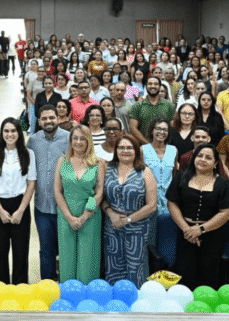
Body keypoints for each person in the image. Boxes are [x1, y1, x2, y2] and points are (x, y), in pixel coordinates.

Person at [166, 144, 229, 289]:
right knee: (185, 276)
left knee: (208, 276)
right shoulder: (182, 177)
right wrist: (187, 229)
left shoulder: (223, 184)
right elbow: (172, 204)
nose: (203, 160)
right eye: (199, 156)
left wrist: (201, 229)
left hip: (213, 234)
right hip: (186, 233)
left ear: (216, 163)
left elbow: (226, 213)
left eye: (208, 157)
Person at [0, 118, 36, 284]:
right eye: (6, 131)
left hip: (21, 204)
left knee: (21, 252)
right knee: (0, 251)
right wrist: (0, 210)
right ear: (2, 133)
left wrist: (20, 210)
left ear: (19, 133)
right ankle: (2, 287)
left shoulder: (28, 154)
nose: (10, 134)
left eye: (13, 131)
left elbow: (31, 183)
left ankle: (20, 287)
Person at [102, 133, 157, 286]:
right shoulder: (107, 168)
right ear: (116, 150)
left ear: (136, 150)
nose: (125, 151)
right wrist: (110, 213)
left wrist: (127, 220)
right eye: (121, 148)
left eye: (129, 148)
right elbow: (100, 196)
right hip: (112, 226)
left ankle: (135, 306)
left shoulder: (145, 171)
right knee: (113, 266)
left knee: (135, 268)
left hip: (137, 229)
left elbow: (152, 205)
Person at [54, 125, 105, 283]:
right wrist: (69, 217)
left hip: (90, 216)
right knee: (67, 256)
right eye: (75, 138)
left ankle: (87, 298)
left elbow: (99, 193)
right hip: (65, 214)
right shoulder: (63, 161)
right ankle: (68, 294)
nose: (78, 142)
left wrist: (84, 217)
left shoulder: (98, 163)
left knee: (88, 257)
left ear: (89, 141)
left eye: (82, 138)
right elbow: (57, 191)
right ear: (70, 141)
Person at [28, 105, 69, 281]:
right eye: (44, 119)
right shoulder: (32, 141)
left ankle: (67, 283)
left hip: (66, 206)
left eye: (51, 118)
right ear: (39, 121)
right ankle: (48, 284)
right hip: (42, 206)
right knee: (46, 249)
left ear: (58, 118)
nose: (48, 121)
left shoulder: (69, 138)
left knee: (67, 248)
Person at [129, 76, 175, 145]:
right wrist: (148, 144)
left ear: (159, 87)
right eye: (150, 84)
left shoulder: (170, 105)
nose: (153, 86)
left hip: (164, 146)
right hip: (143, 147)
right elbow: (133, 128)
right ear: (146, 86)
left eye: (156, 84)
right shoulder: (137, 106)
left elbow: (173, 127)